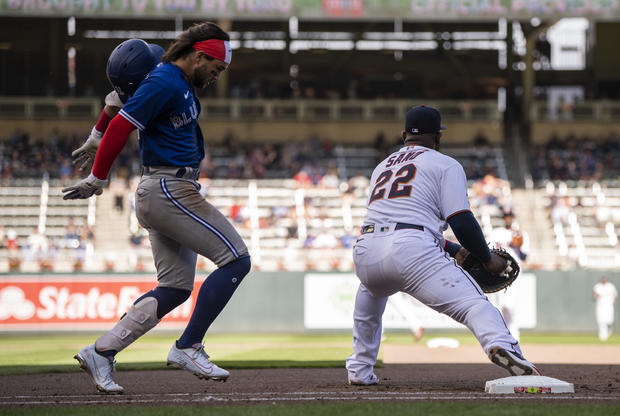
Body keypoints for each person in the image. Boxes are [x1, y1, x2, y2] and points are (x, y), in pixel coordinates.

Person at [63, 22, 251, 394]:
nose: (215, 77)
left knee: (176, 287)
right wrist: (99, 176)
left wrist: (94, 134)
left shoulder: (166, 79)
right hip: (169, 187)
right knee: (237, 260)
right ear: (198, 56)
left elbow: (115, 102)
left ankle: (102, 351)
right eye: (215, 69)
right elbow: (122, 124)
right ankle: (189, 345)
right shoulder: (166, 80)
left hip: (163, 188)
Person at [345, 105, 540, 386]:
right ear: (438, 138)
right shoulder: (444, 164)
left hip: (366, 248)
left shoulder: (382, 167)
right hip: (411, 248)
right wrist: (487, 259)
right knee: (475, 305)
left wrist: (451, 249)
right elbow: (460, 220)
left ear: (403, 136)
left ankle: (360, 370)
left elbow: (398, 219)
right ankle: (503, 345)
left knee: (369, 299)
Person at [488, 210, 530, 340]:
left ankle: (514, 335)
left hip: (514, 270)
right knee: (498, 305)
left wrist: (516, 246)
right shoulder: (495, 233)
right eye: (506, 216)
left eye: (510, 216)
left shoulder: (520, 234)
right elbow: (488, 251)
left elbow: (524, 256)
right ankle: (501, 335)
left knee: (510, 305)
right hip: (498, 270)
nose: (508, 219)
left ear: (513, 218)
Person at [593, 277, 617, 341]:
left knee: (609, 320)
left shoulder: (611, 286)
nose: (603, 280)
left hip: (609, 306)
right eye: (602, 279)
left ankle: (608, 330)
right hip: (600, 306)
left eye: (604, 279)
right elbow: (595, 295)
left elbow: (615, 296)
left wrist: (612, 302)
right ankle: (602, 336)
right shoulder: (598, 286)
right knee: (601, 321)